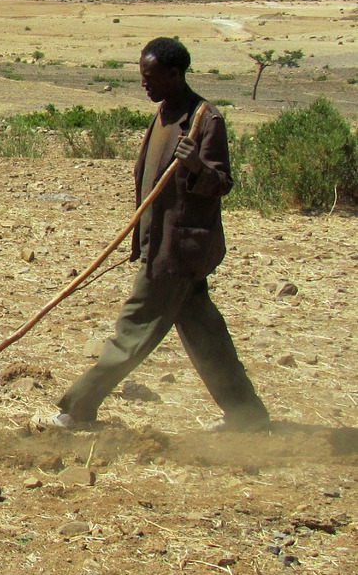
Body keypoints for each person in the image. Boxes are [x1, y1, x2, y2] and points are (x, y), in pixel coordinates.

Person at [36, 37, 270, 432]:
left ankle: (77, 409)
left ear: (175, 75)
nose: (144, 84)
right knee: (206, 338)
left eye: (151, 77)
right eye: (142, 77)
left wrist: (196, 165)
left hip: (175, 254)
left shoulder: (204, 120)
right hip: (159, 248)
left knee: (132, 331)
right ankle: (247, 415)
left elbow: (222, 182)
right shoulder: (164, 113)